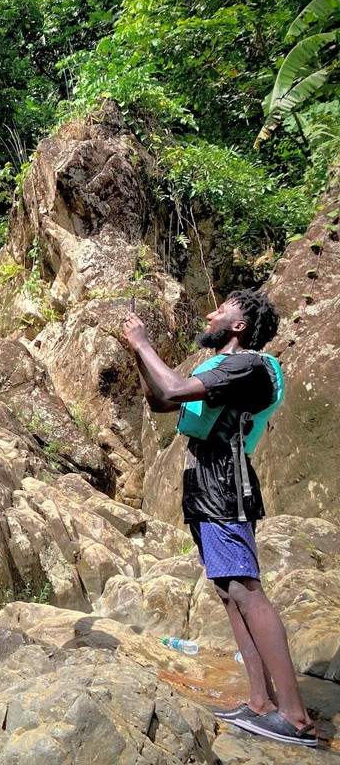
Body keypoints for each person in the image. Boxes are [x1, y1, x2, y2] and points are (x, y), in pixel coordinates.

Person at [123, 289, 317, 748]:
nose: (210, 313)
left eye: (221, 310)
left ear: (239, 326)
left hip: (225, 479)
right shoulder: (224, 369)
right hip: (207, 476)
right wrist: (137, 353)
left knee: (246, 588)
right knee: (228, 590)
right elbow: (161, 402)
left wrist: (145, 344)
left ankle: (294, 716)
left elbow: (171, 388)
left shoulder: (247, 365)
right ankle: (260, 703)